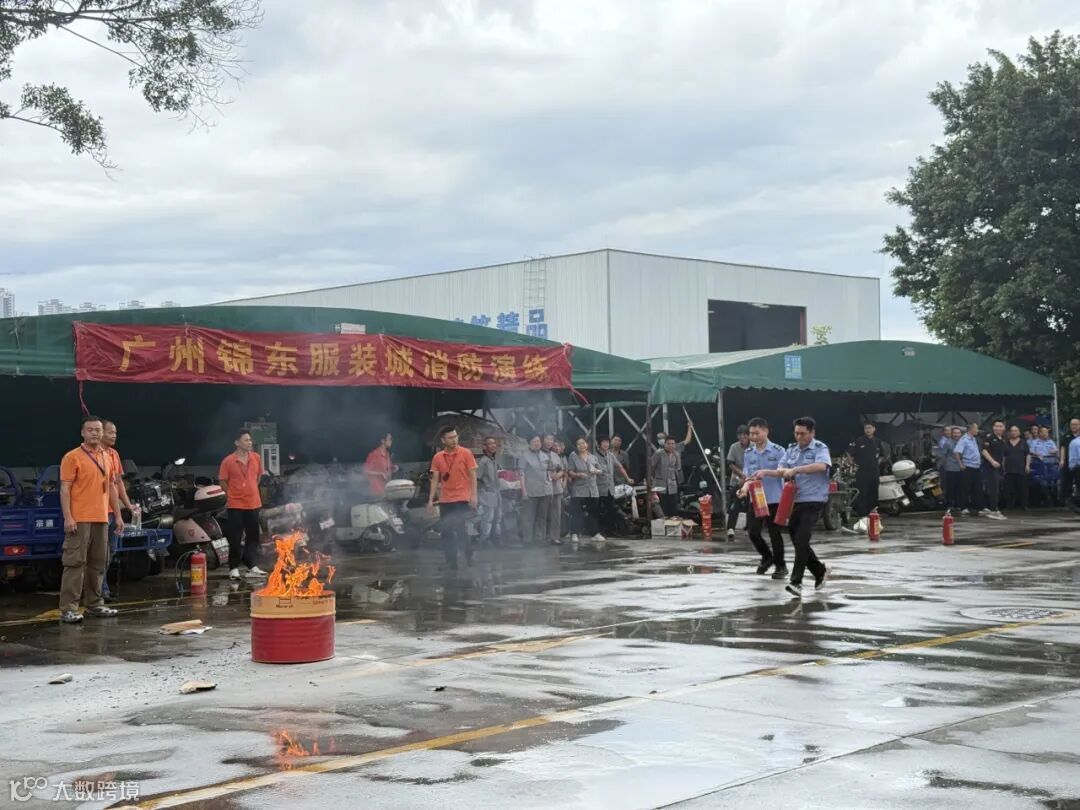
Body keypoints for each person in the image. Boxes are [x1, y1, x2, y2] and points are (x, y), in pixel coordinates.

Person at [754, 416, 830, 599]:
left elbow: (822, 466)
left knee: (802, 539)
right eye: (796, 433)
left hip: (814, 500)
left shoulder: (820, 448)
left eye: (803, 433)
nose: (799, 437)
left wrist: (797, 469)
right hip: (794, 501)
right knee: (797, 541)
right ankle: (819, 571)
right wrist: (767, 472)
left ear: (812, 433)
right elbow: (782, 470)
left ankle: (796, 582)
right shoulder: (792, 450)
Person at [58, 415, 123, 623]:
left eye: (98, 430)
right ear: (82, 433)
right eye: (90, 430)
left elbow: (111, 487)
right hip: (80, 519)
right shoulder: (72, 457)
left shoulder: (107, 457)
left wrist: (118, 515)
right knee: (75, 563)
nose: (95, 433)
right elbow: (65, 489)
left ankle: (95, 603)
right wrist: (68, 517)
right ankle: (68, 608)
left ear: (102, 433)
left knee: (98, 562)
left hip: (101, 518)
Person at [736, 417, 787, 580]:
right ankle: (767, 556)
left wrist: (766, 473)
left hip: (774, 498)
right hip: (756, 498)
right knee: (753, 532)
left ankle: (781, 566)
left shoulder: (778, 451)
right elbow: (749, 476)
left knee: (774, 533)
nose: (753, 437)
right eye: (751, 433)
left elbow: (784, 472)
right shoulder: (749, 453)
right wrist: (744, 489)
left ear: (766, 431)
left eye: (756, 433)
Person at [219, 429, 268, 580]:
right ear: (237, 442)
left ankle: (251, 565)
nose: (250, 442)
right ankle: (233, 568)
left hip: (253, 503)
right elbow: (222, 481)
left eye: (250, 440)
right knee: (235, 537)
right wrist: (231, 494)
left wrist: (250, 489)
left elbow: (258, 477)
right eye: (246, 440)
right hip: (236, 505)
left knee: (253, 536)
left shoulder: (256, 457)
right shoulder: (228, 461)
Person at [427, 426, 478, 569]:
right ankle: (451, 562)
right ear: (443, 440)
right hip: (445, 499)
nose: (454, 440)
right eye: (450, 438)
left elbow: (473, 476)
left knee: (460, 528)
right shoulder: (438, 457)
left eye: (455, 436)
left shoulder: (466, 453)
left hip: (462, 497)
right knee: (446, 531)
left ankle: (468, 555)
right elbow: (435, 479)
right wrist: (430, 500)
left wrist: (474, 495)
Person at [101, 420, 137, 603]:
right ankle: (100, 590)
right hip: (99, 512)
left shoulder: (114, 454)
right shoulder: (93, 455)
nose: (114, 435)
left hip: (113, 511)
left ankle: (101, 588)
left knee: (111, 551)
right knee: (99, 553)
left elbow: (118, 483)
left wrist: (128, 506)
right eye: (110, 432)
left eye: (115, 432)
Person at [518, 434, 554, 545]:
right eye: (534, 441)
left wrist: (550, 486)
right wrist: (524, 491)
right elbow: (521, 474)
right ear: (529, 443)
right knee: (528, 517)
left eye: (538, 441)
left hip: (545, 491)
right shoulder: (524, 456)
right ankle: (527, 540)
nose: (537, 443)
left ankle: (540, 539)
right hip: (531, 491)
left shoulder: (545, 456)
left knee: (542, 517)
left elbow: (550, 472)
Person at [566, 437, 601, 541]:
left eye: (583, 443)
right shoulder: (573, 456)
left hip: (592, 489)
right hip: (578, 489)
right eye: (579, 444)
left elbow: (600, 469)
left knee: (593, 512)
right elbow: (569, 471)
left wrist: (596, 471)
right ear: (576, 446)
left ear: (587, 444)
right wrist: (578, 475)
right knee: (577, 512)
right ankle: (574, 533)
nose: (581, 445)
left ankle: (594, 533)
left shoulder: (593, 457)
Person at [847, 422, 885, 517]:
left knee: (874, 491)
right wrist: (852, 463)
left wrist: (878, 462)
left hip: (874, 471)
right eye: (866, 428)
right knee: (863, 492)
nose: (868, 430)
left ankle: (873, 512)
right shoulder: (859, 441)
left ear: (874, 429)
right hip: (862, 471)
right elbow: (849, 453)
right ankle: (862, 513)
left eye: (869, 428)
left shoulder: (877, 441)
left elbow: (882, 455)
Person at [595, 437, 630, 534]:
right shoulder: (594, 456)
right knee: (599, 510)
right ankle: (599, 531)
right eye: (603, 442)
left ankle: (610, 529)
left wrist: (627, 478)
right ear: (599, 444)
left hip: (610, 488)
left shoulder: (610, 455)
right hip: (599, 488)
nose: (606, 444)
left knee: (610, 509)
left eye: (607, 442)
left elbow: (620, 467)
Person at [476, 436, 502, 547]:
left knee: (498, 517)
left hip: (496, 493)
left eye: (494, 443)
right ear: (485, 447)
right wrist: (480, 492)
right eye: (490, 443)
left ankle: (496, 539)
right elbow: (477, 478)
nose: (492, 445)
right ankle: (484, 541)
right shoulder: (483, 461)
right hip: (487, 494)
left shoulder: (493, 460)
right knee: (488, 518)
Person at [725, 426, 750, 540]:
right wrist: (742, 475)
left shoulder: (754, 446)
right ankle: (730, 528)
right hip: (737, 479)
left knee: (751, 505)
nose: (742, 437)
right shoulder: (734, 447)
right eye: (740, 435)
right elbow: (730, 464)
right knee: (734, 505)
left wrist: (747, 477)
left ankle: (748, 528)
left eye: (744, 434)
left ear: (748, 436)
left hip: (751, 480)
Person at [980, 420, 1007, 520]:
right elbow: (984, 451)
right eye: (996, 426)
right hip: (990, 466)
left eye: (1000, 426)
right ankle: (993, 510)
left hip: (999, 467)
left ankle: (992, 508)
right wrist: (992, 461)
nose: (998, 428)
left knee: (997, 488)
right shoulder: (989, 437)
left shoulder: (1003, 439)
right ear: (993, 427)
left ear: (1004, 428)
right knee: (993, 489)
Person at [954, 423, 983, 516]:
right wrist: (960, 464)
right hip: (968, 467)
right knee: (965, 488)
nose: (977, 430)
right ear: (971, 429)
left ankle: (976, 507)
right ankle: (963, 507)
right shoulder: (964, 439)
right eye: (976, 428)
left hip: (976, 467)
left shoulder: (974, 439)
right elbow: (957, 452)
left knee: (977, 488)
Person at [651, 436, 684, 518]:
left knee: (673, 506)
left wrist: (677, 457)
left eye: (673, 444)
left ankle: (673, 522)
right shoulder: (658, 453)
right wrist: (652, 480)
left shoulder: (676, 454)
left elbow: (678, 468)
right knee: (662, 507)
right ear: (665, 444)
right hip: (660, 483)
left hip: (672, 483)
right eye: (669, 444)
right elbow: (651, 467)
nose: (671, 445)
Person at [1001, 425, 1030, 511]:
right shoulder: (1006, 443)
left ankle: (1023, 505)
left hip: (1021, 469)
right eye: (1012, 431)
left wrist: (1027, 465)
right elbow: (1003, 456)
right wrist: (1003, 467)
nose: (1014, 432)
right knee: (1009, 489)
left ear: (1019, 432)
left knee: (1022, 488)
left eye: (1016, 431)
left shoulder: (1024, 443)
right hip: (1009, 469)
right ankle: (1009, 506)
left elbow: (1028, 454)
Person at [543, 434, 565, 545]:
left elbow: (562, 469)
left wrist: (558, 475)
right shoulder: (539, 454)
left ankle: (555, 537)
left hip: (556, 488)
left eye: (551, 439)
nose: (549, 441)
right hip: (543, 489)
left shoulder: (555, 455)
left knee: (556, 514)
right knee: (543, 514)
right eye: (547, 439)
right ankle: (542, 537)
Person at [1029, 426, 1059, 506]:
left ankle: (1053, 500)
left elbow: (1056, 449)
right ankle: (1043, 499)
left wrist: (1053, 451)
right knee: (1039, 484)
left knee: (1053, 483)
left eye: (1047, 432)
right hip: (1038, 465)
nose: (1046, 434)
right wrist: (1037, 454)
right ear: (1040, 433)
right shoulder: (1034, 442)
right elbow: (1031, 452)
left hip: (1050, 466)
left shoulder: (1051, 442)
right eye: (1044, 432)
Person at [364, 433, 395, 497]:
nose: (391, 441)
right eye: (390, 439)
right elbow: (365, 472)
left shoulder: (387, 454)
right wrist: (380, 474)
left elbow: (387, 468)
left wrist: (393, 467)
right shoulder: (374, 454)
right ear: (383, 441)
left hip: (386, 490)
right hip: (376, 492)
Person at [942, 427, 964, 510]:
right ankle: (950, 504)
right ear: (951, 434)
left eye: (958, 433)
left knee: (959, 487)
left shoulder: (962, 443)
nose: (956, 435)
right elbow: (943, 455)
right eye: (955, 433)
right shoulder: (947, 443)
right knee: (950, 487)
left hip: (961, 468)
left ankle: (958, 504)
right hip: (950, 468)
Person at [551, 439, 569, 542]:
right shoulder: (549, 456)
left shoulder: (563, 458)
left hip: (561, 488)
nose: (557, 448)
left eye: (559, 446)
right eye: (555, 446)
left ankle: (557, 535)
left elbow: (566, 472)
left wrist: (564, 483)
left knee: (558, 512)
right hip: (550, 487)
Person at [1061, 418, 1080, 506]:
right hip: (1068, 461)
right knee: (1066, 481)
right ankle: (1065, 500)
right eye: (1072, 424)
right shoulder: (1067, 436)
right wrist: (1062, 460)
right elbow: (1063, 447)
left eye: (1075, 424)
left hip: (1078, 463)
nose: (1073, 426)